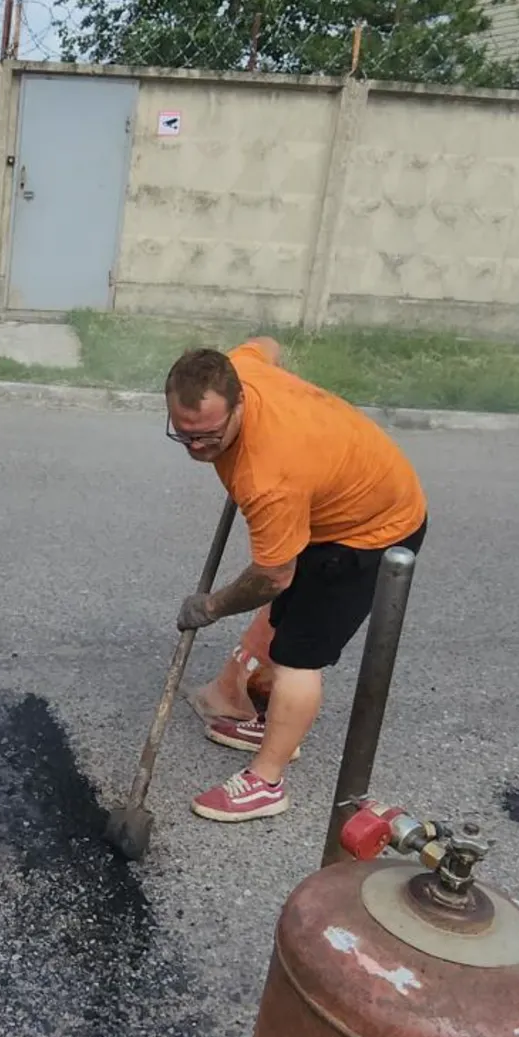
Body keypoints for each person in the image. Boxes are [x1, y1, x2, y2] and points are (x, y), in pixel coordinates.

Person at [163, 336, 427, 823]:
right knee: (287, 624)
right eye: (184, 434)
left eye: (210, 436)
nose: (197, 448)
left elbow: (272, 576)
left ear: (239, 401)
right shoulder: (242, 365)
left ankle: (266, 782)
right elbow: (269, 343)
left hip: (371, 532)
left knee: (298, 656)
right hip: (333, 502)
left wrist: (211, 606)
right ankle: (276, 725)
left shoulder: (268, 477)